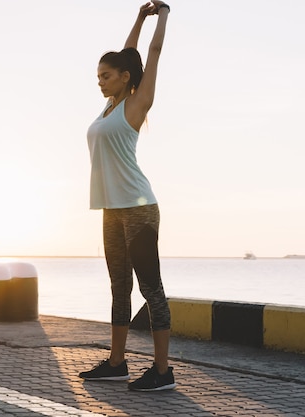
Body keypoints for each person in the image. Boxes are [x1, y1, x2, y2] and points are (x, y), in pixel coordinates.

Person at [78, 1, 175, 392]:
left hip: (139, 209)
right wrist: (137, 17)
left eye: (106, 76)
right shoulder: (108, 108)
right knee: (119, 287)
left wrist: (162, 15)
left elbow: (148, 55)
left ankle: (163, 371)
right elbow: (128, 54)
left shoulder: (136, 104)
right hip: (111, 211)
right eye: (98, 76)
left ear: (123, 78)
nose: (100, 81)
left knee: (151, 289)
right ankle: (117, 364)